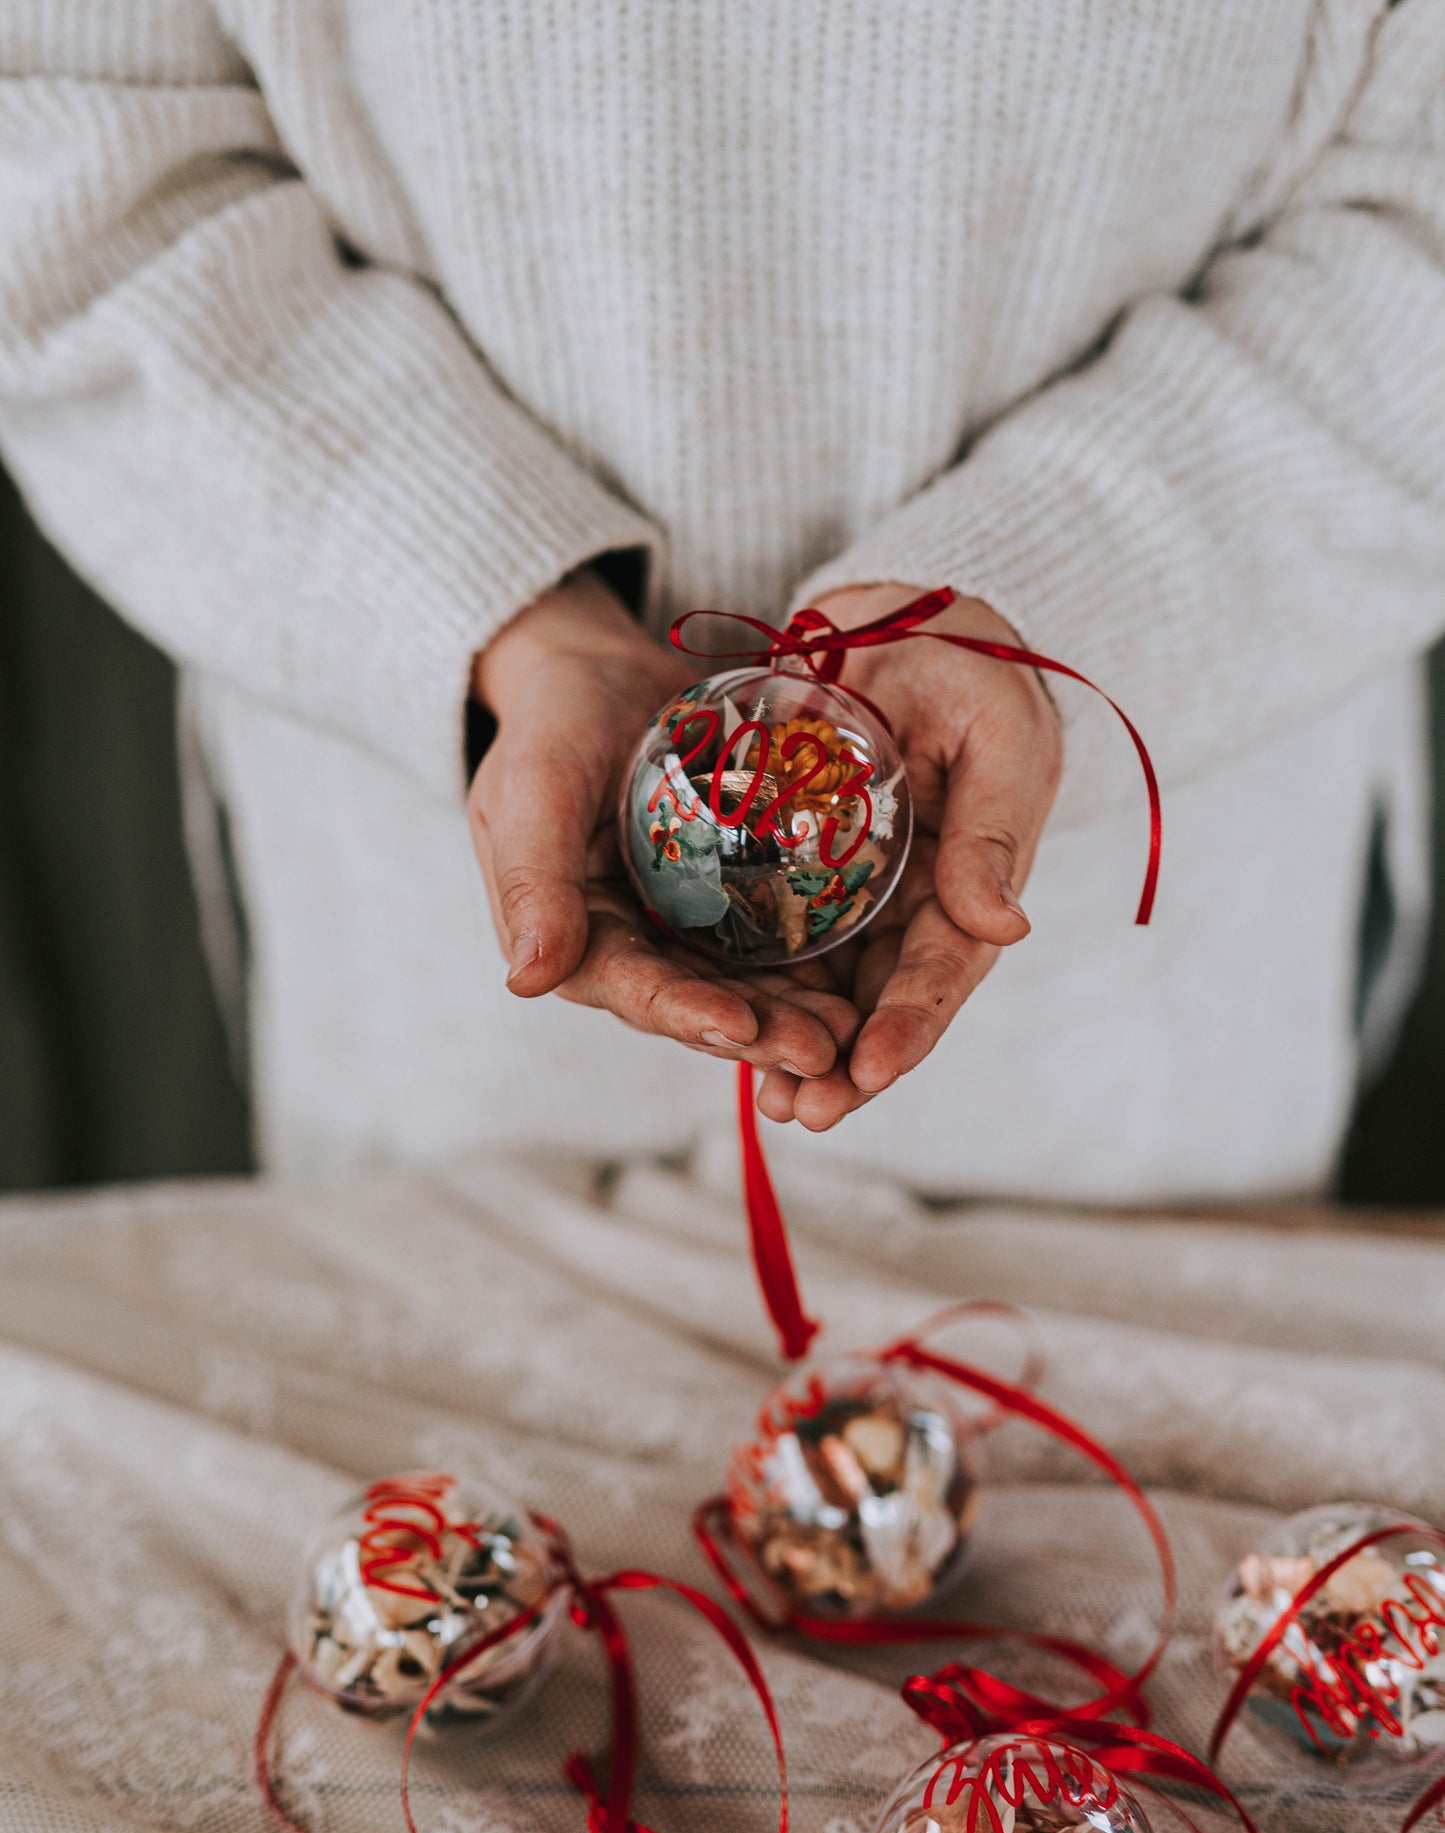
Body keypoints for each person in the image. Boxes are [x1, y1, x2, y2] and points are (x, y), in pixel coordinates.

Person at [1, 3, 1443, 1201]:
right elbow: (64, 172)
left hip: (1142, 972)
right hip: (437, 923)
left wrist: (1050, 577)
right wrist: (500, 606)